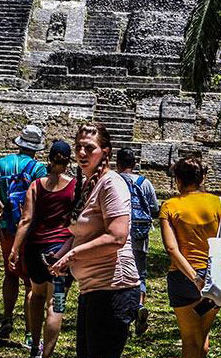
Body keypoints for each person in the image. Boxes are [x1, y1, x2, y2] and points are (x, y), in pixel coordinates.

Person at [50, 123, 139, 358]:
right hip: (91, 290)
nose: (81, 153)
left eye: (89, 148)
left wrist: (72, 256)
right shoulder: (88, 185)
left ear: (106, 152)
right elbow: (81, 235)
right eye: (78, 147)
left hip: (113, 290)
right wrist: (59, 256)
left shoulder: (112, 183)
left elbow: (117, 237)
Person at [159, 155, 221, 358]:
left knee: (191, 340)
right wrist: (219, 274)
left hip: (183, 278)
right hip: (215, 278)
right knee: (202, 336)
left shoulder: (169, 206)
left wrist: (196, 278)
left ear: (178, 180)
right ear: (202, 178)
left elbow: (172, 249)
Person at [9, 140, 77, 358]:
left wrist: (15, 249)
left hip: (35, 250)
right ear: (69, 161)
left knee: (37, 296)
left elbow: (26, 220)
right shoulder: (75, 186)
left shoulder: (36, 185)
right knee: (55, 304)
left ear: (49, 158)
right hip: (60, 253)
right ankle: (46, 355)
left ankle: (34, 347)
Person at [0, 124, 49, 342]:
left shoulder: (3, 163)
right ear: (36, 148)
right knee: (30, 281)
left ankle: (7, 319)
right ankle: (30, 332)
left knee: (10, 274)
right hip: (28, 229)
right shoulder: (38, 169)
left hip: (6, 228)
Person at [115, 147, 160, 335]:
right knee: (140, 274)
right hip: (140, 236)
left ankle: (122, 311)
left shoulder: (113, 181)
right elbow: (155, 209)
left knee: (119, 274)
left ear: (117, 164)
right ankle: (140, 304)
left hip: (119, 235)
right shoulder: (144, 183)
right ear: (134, 164)